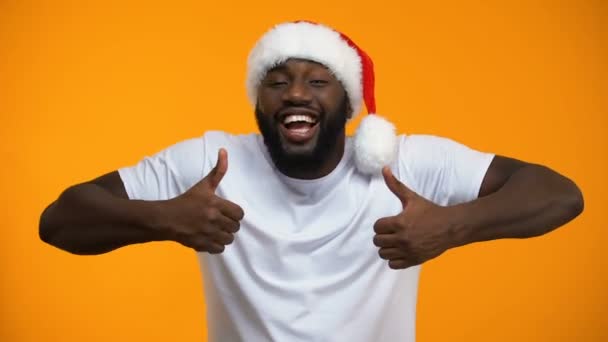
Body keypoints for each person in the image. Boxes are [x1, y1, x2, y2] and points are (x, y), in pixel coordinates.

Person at [39, 21, 584, 342]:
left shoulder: (405, 163)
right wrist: (161, 219)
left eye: (319, 81)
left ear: (349, 105)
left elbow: (560, 193)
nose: (296, 93)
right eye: (276, 81)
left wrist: (452, 226)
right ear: (260, 102)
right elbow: (60, 220)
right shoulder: (213, 160)